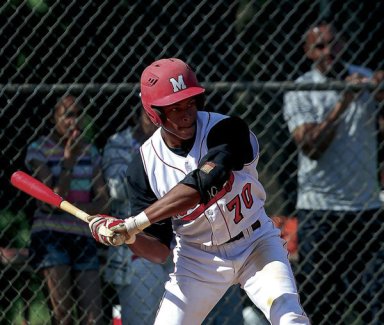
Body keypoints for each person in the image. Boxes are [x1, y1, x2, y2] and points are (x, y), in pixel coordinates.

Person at [88, 58, 309, 325]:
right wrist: (125, 237)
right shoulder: (144, 165)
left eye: (191, 103)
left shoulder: (226, 130)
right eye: (175, 107)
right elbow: (158, 250)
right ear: (154, 114)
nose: (186, 114)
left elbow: (201, 183)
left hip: (256, 243)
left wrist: (132, 224)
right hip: (198, 258)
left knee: (289, 317)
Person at [283, 22, 384, 324]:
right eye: (320, 46)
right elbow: (311, 146)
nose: (329, 52)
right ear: (308, 52)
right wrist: (344, 102)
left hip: (365, 208)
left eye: (334, 44)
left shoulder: (365, 78)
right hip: (320, 210)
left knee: (376, 298)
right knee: (322, 302)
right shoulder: (301, 89)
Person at [25, 94, 109, 324]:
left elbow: (103, 201)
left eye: (79, 114)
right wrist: (68, 163)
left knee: (93, 317)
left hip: (82, 234)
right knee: (63, 315)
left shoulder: (90, 151)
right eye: (68, 115)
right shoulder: (39, 149)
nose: (75, 121)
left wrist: (67, 208)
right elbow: (48, 201)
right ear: (54, 118)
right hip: (51, 235)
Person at [102, 109, 171, 324]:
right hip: (136, 247)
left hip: (176, 244)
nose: (156, 121)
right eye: (150, 115)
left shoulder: (175, 142)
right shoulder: (119, 143)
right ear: (137, 115)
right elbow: (117, 189)